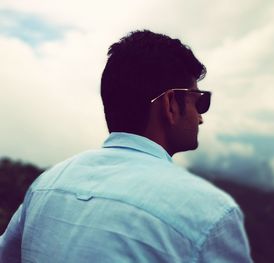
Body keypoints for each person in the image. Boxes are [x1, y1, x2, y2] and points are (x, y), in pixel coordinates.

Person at [0, 30, 253, 262]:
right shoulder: (211, 214)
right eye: (200, 101)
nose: (201, 116)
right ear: (171, 105)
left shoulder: (46, 186)